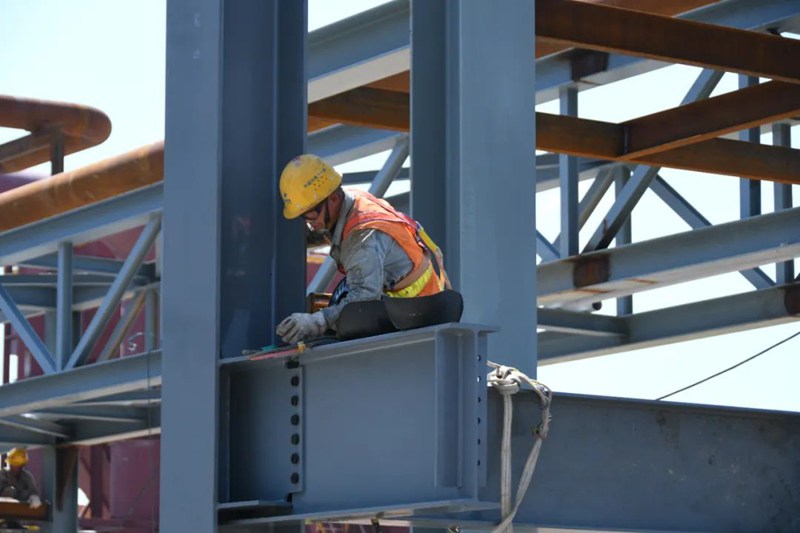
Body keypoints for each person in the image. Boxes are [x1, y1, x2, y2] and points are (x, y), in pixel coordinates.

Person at [276, 154, 450, 344]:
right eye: (304, 217)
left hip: (416, 316)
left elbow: (364, 299)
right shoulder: (349, 199)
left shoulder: (362, 236)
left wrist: (317, 321)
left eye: (311, 214)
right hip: (399, 301)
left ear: (332, 199)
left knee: (345, 324)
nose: (310, 223)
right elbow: (331, 228)